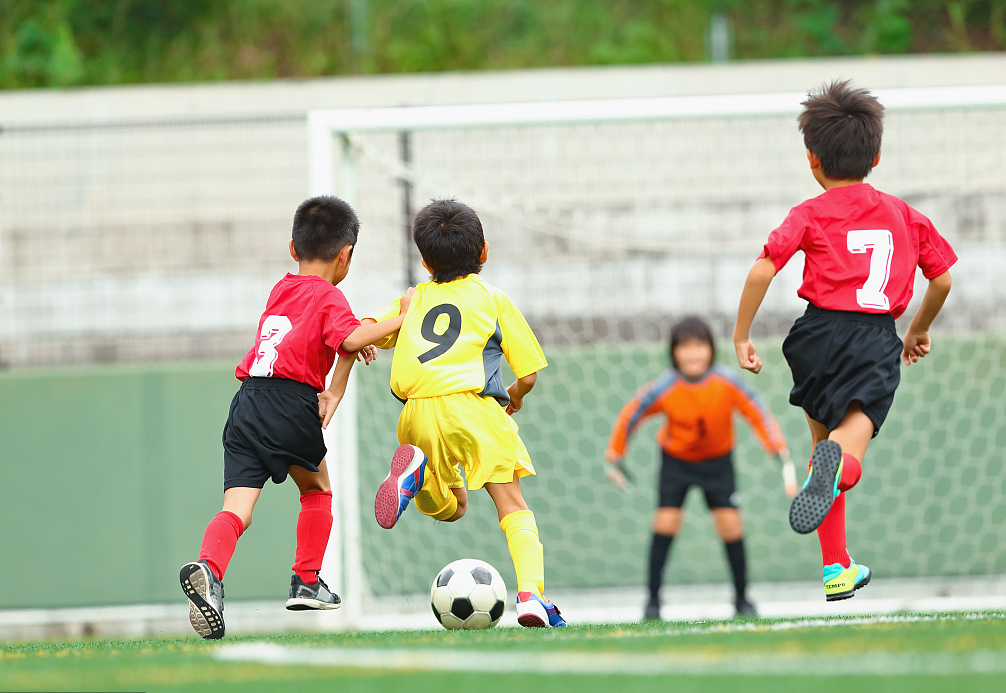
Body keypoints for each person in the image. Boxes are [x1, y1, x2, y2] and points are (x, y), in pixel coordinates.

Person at [733, 80, 956, 602]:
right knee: (843, 450)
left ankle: (837, 567)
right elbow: (942, 278)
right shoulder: (905, 215)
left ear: (812, 159)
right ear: (876, 156)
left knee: (821, 448)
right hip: (872, 338)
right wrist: (918, 328)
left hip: (812, 335)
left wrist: (742, 335)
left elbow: (764, 269)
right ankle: (835, 476)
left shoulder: (808, 213)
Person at [179, 195, 411, 639]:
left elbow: (327, 338)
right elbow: (347, 339)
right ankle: (306, 579)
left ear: (292, 249)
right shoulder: (330, 296)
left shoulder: (281, 288)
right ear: (345, 256)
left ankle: (209, 568)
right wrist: (400, 317)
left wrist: (352, 339)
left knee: (238, 511)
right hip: (290, 402)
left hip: (247, 401)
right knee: (317, 489)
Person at [362, 198, 566, 628]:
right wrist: (515, 397)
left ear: (423, 260)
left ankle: (414, 477)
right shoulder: (493, 299)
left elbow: (359, 334)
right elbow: (528, 375)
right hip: (475, 407)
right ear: (484, 251)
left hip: (416, 412)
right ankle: (530, 597)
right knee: (512, 506)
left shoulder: (413, 299)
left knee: (453, 507)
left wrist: (396, 319)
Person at [606, 317, 793, 621]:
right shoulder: (665, 387)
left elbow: (756, 410)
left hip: (718, 463)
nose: (692, 354)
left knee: (731, 526)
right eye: (685, 347)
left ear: (710, 350)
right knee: (665, 524)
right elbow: (631, 415)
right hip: (676, 463)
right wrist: (615, 455)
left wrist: (777, 448)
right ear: (674, 352)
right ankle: (652, 603)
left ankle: (742, 600)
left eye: (699, 346)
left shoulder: (727, 382)